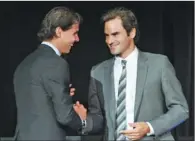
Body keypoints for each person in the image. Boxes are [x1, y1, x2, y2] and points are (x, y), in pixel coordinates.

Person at [75, 7, 189, 141]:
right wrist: (84, 121)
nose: (109, 41)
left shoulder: (159, 64)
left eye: (115, 34)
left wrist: (149, 127)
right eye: (107, 35)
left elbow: (181, 109)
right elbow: (98, 119)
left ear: (132, 32)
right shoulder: (98, 72)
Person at [13, 6, 86, 140]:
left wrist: (63, 95)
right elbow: (65, 116)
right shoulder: (57, 63)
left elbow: (37, 103)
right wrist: (82, 120)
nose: (77, 39)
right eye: (74, 33)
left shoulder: (24, 64)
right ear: (59, 31)